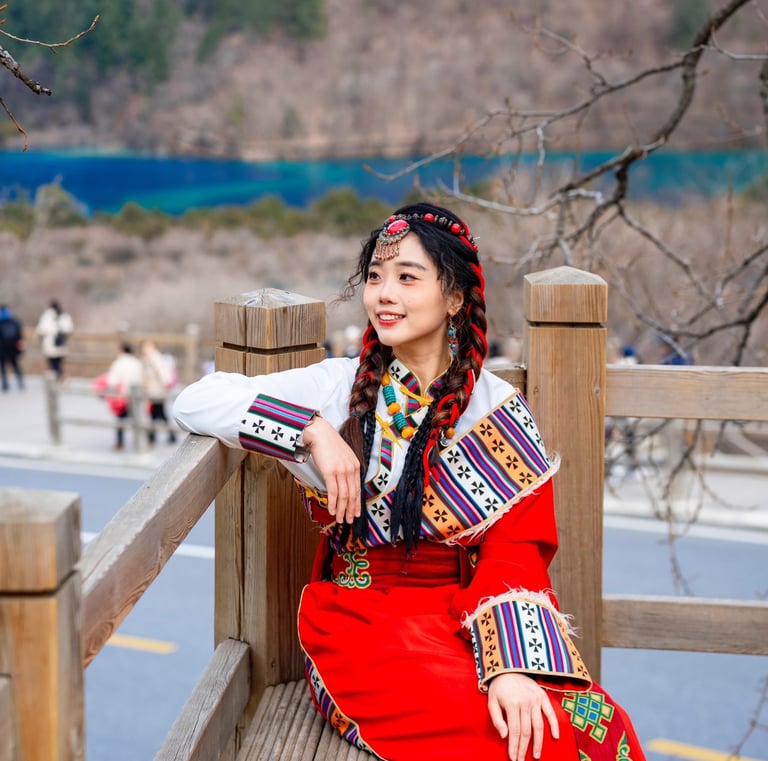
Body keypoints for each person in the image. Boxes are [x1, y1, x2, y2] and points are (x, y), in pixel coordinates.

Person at [172, 203, 646, 761]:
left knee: (598, 726)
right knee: (502, 737)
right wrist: (310, 430)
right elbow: (195, 400)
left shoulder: (496, 408)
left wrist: (510, 668)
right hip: (359, 624)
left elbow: (514, 554)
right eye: (374, 277)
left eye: (406, 277)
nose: (383, 294)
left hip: (465, 618)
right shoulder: (338, 388)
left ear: (454, 298)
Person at [104, 342, 144, 451]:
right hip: (136, 394)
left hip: (122, 395)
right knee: (136, 418)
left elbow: (112, 380)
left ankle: (120, 443)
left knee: (120, 420)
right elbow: (141, 378)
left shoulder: (119, 363)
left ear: (122, 350)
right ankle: (139, 442)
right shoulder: (137, 363)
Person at [141, 340, 177, 445]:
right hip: (154, 391)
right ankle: (164, 435)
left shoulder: (154, 357)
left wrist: (166, 383)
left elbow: (161, 372)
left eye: (147, 347)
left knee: (157, 413)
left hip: (156, 391)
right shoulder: (149, 358)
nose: (145, 349)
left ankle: (153, 436)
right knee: (158, 414)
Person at [36, 299, 74, 380]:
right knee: (59, 363)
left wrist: (40, 339)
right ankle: (58, 377)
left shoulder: (47, 316)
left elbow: (41, 329)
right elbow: (69, 329)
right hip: (61, 344)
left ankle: (55, 378)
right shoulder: (64, 315)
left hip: (49, 343)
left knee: (52, 363)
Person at [0, 305, 25, 391]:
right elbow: (20, 335)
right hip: (13, 347)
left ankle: (5, 384)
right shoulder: (14, 321)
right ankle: (20, 382)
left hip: (2, 348)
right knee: (15, 365)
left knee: (3, 367)